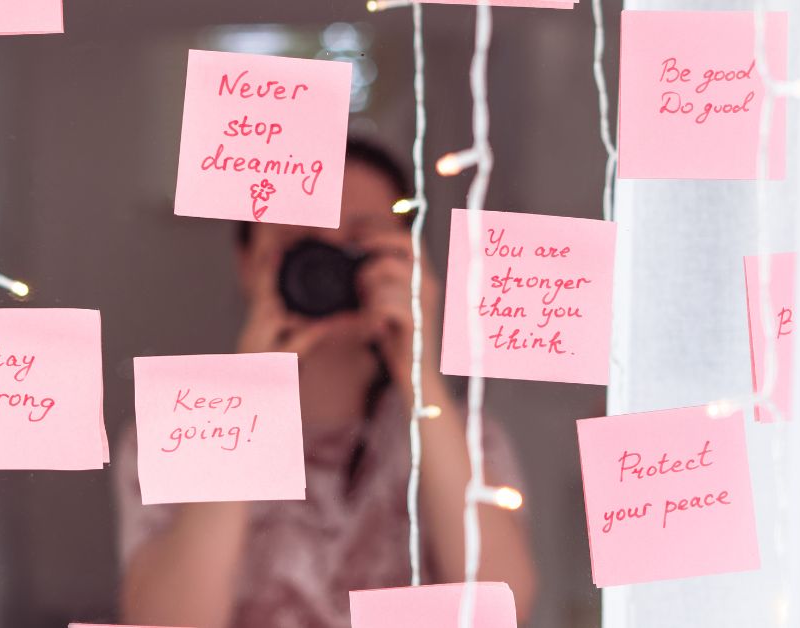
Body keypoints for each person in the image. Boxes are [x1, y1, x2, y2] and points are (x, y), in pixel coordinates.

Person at [115, 138, 537, 628]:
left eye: (360, 244)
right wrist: (248, 392)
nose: (330, 268)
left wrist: (418, 367)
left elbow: (502, 609)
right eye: (303, 245)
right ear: (248, 263)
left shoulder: (460, 436)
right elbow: (167, 624)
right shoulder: (175, 433)